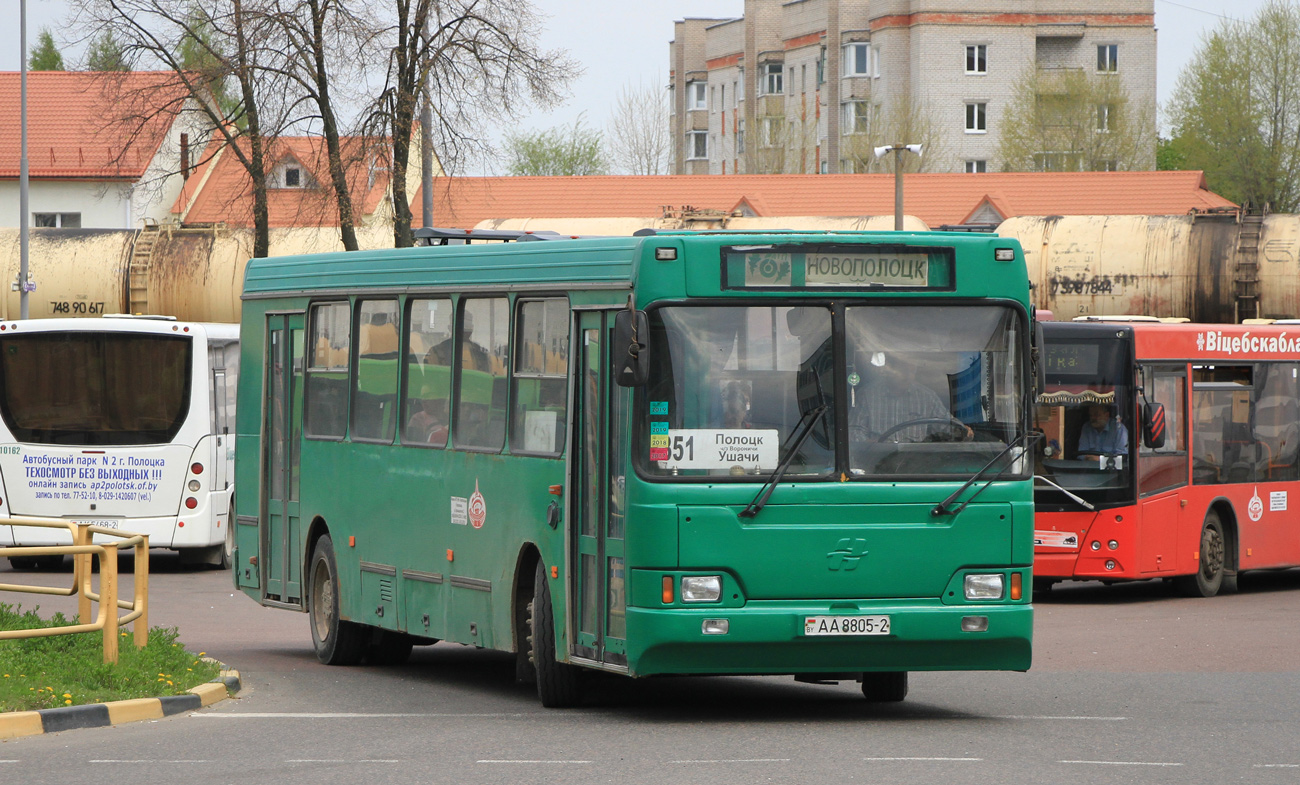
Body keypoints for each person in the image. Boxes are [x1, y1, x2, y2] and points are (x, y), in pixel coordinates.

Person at [850, 352, 969, 442]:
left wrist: (962, 431)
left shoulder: (927, 397)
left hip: (914, 466)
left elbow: (947, 425)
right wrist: (871, 445)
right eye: (902, 370)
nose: (907, 376)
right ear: (889, 368)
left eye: (911, 371)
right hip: (876, 466)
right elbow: (853, 431)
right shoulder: (867, 395)